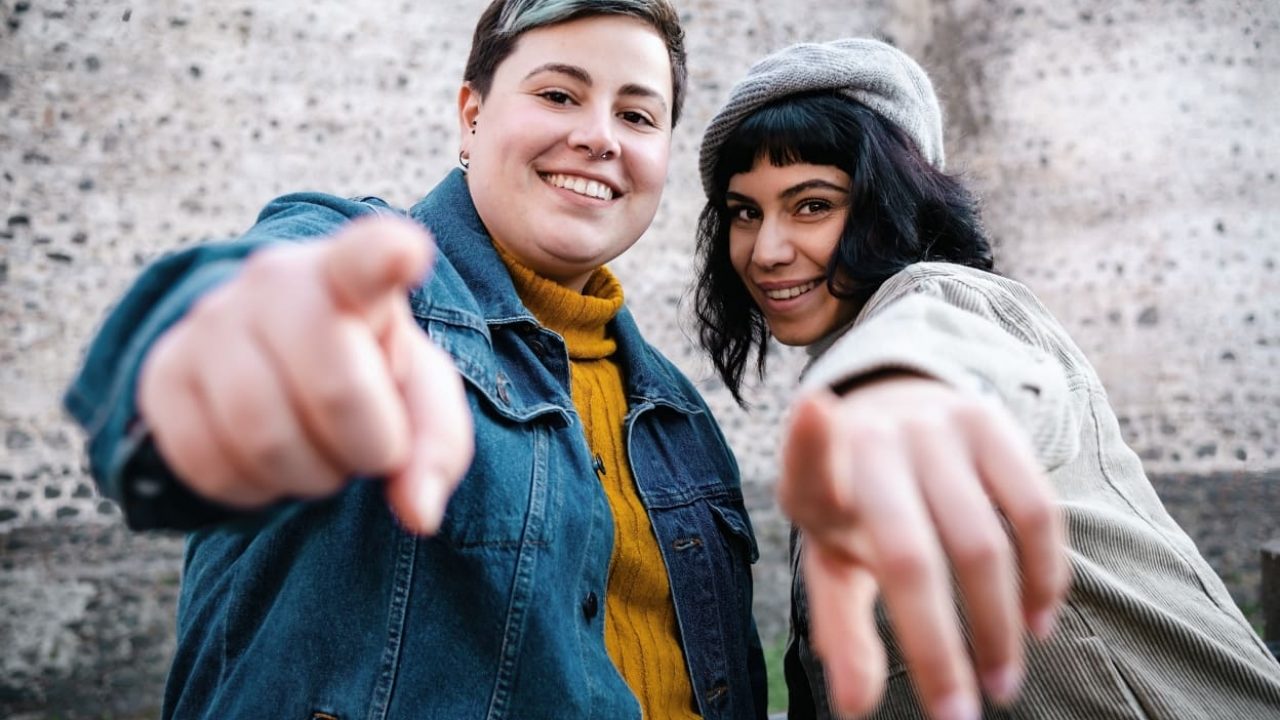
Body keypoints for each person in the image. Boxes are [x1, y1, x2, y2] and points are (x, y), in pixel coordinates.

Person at [63, 2, 769, 717]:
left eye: (638, 117)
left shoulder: (682, 421)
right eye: (558, 94)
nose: (598, 137)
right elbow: (240, 314)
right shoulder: (366, 279)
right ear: (472, 115)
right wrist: (242, 350)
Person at [693, 38, 1280, 720]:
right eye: (745, 212)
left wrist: (899, 388)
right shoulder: (835, 376)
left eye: (813, 204)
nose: (766, 251)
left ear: (892, 202)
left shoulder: (949, 299)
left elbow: (953, 351)